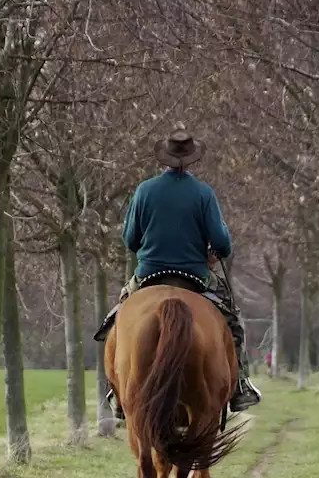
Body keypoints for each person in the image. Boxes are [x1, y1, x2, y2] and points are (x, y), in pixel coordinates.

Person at [95, 125, 262, 418]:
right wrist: (213, 251)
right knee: (233, 321)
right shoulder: (203, 194)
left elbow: (129, 240)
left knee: (118, 318)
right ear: (191, 159)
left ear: (165, 158)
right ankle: (239, 386)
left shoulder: (144, 191)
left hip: (148, 276)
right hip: (196, 276)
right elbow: (223, 243)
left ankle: (117, 389)